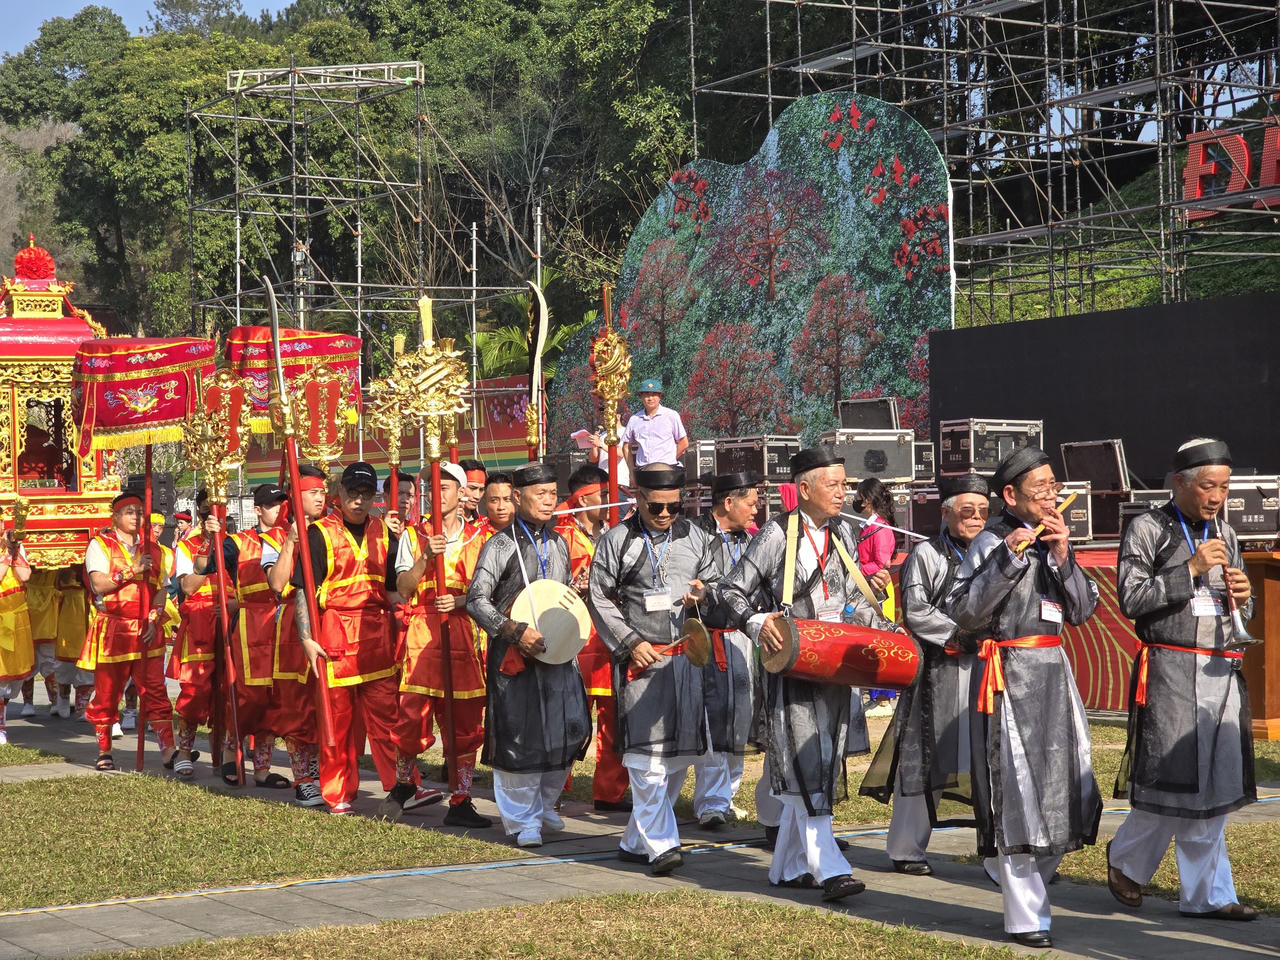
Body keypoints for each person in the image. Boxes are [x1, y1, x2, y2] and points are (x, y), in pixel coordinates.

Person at [719, 448, 897, 901]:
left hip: (834, 664)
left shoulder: (844, 533)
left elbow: (849, 599)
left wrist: (884, 626)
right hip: (793, 665)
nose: (844, 492)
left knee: (822, 756)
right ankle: (830, 867)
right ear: (804, 489)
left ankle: (789, 865)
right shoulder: (776, 535)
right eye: (834, 484)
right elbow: (731, 592)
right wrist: (758, 624)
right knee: (804, 759)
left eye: (844, 484)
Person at [947, 446, 1101, 949]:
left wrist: (1062, 555)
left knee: (1067, 780)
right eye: (1042, 490)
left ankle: (1015, 868)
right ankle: (1026, 915)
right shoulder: (990, 540)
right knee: (1014, 790)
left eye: (1056, 487)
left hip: (1054, 674)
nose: (1053, 497)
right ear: (1010, 496)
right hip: (1007, 677)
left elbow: (1080, 612)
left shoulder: (1054, 538)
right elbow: (966, 611)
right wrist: (1008, 559)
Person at [1108, 438, 1257, 922]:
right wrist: (1190, 568)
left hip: (1221, 665)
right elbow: (1131, 599)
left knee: (1212, 784)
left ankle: (1205, 894)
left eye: (1225, 488)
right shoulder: (1147, 528)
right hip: (1172, 668)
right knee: (1174, 780)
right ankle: (1131, 860)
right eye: (1209, 487)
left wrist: (1244, 594)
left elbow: (1239, 607)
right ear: (1179, 483)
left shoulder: (1227, 534)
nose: (1217, 497)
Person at [586, 463, 715, 874]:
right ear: (637, 498)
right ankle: (662, 844)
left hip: (685, 662)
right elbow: (599, 596)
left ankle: (634, 840)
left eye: (673, 507)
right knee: (645, 759)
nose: (664, 515)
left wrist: (705, 591)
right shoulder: (616, 540)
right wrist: (630, 642)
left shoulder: (696, 535)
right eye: (656, 506)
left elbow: (718, 580)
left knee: (677, 757)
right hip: (641, 660)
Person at [860, 474, 990, 874]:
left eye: (983, 511)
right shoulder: (926, 555)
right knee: (921, 756)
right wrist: (958, 635)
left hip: (990, 669)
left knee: (991, 756)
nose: (976, 519)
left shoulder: (998, 552)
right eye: (967, 511)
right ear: (946, 512)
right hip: (938, 669)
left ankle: (998, 853)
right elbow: (915, 610)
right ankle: (906, 849)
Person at [466, 461, 591, 848]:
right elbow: (475, 600)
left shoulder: (558, 542)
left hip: (557, 654)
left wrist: (577, 591)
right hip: (515, 659)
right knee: (519, 736)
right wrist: (513, 631)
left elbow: (556, 594)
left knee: (570, 729)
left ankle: (544, 803)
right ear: (518, 497)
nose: (549, 500)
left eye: (553, 493)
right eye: (540, 493)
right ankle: (521, 821)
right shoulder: (499, 545)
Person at [292, 462, 404, 815]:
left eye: (365, 494)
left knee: (388, 716)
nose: (358, 500)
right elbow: (302, 591)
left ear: (375, 497)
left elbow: (394, 590)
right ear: (338, 495)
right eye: (351, 493)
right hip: (335, 632)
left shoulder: (386, 534)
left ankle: (401, 785)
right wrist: (306, 638)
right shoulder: (319, 533)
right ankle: (338, 790)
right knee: (336, 719)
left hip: (376, 633)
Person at [387, 461, 487, 826]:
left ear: (461, 493)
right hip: (422, 631)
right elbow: (403, 588)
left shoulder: (481, 538)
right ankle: (403, 783)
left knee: (464, 721)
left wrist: (461, 602)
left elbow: (488, 591)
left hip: (462, 629)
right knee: (411, 714)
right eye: (431, 486)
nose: (436, 493)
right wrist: (427, 556)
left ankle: (461, 798)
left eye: (445, 486)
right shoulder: (414, 536)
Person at [204, 484, 295, 789]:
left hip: (286, 623)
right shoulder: (238, 542)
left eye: (283, 504)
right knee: (248, 696)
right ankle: (231, 752)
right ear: (257, 510)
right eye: (273, 505)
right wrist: (211, 539)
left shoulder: (296, 536)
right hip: (251, 625)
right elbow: (202, 567)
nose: (280, 510)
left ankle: (263, 768)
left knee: (276, 698)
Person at [78, 492, 175, 771]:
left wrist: (155, 618)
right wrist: (133, 569)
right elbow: (99, 585)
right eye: (129, 511)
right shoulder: (100, 545)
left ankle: (169, 750)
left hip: (147, 629)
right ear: (116, 516)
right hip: (114, 628)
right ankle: (104, 750)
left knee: (155, 690)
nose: (136, 517)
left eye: (139, 512)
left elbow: (161, 590)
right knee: (108, 692)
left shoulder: (154, 549)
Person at [556, 464, 630, 812]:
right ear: (586, 498)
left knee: (615, 720)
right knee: (569, 719)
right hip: (576, 638)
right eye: (605, 494)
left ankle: (609, 792)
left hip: (612, 638)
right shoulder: (560, 535)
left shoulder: (619, 532)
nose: (612, 500)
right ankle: (553, 788)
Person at [689, 471, 762, 827]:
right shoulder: (693, 536)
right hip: (707, 638)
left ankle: (727, 796)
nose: (756, 510)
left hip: (743, 640)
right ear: (729, 503)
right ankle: (710, 802)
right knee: (711, 720)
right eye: (751, 502)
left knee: (741, 719)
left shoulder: (753, 541)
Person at [263, 465, 327, 807]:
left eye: (322, 492)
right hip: (293, 627)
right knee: (298, 707)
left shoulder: (330, 529)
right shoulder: (274, 536)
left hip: (329, 621)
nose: (320, 498)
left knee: (326, 704)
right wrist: (290, 540)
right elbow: (277, 583)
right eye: (312, 492)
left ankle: (326, 773)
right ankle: (303, 778)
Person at [168, 491, 231, 777]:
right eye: (206, 512)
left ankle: (228, 753)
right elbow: (188, 588)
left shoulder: (238, 541)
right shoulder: (188, 544)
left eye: (217, 511)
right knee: (195, 690)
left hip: (231, 620)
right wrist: (208, 546)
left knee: (232, 690)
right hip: (200, 623)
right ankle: (184, 750)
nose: (211, 517)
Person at [0, 516, 33, 745]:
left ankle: (2, 722)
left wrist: (15, 548)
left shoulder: (14, 547)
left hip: (17, 616)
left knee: (12, 676)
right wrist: (6, 555)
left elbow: (25, 576)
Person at [622, 379, 688, 475]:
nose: (650, 398)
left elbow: (684, 442)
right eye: (647, 395)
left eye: (654, 394)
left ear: (660, 396)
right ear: (641, 396)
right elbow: (626, 446)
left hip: (667, 472)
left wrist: (669, 460)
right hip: (643, 471)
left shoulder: (671, 415)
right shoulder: (634, 419)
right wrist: (632, 473)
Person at [475, 472, 515, 539]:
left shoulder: (528, 532)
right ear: (485, 503)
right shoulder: (475, 535)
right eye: (494, 500)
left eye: (507, 499)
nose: (501, 507)